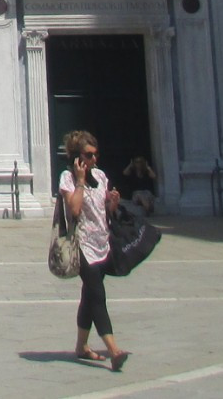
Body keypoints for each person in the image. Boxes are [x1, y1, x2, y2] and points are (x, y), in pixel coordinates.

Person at [60, 129, 130, 372]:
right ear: (77, 157)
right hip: (83, 246)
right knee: (98, 295)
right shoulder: (67, 179)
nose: (94, 160)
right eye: (89, 155)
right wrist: (80, 181)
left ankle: (81, 347)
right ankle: (114, 350)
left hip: (103, 243)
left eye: (95, 154)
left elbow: (104, 212)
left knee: (89, 298)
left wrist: (112, 202)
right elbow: (75, 210)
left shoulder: (100, 175)